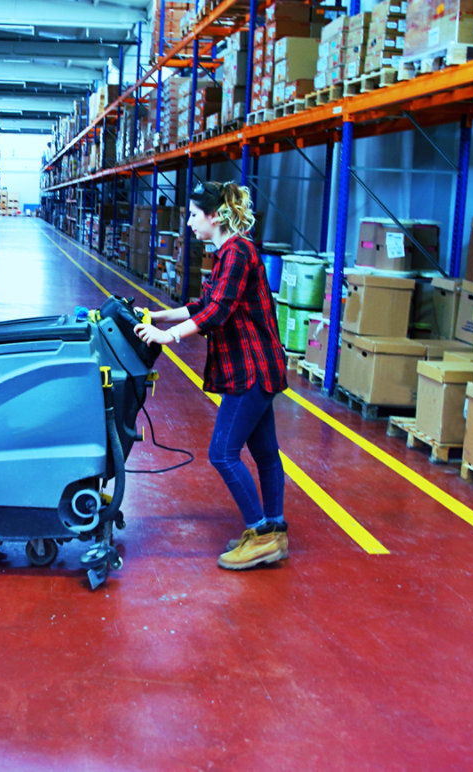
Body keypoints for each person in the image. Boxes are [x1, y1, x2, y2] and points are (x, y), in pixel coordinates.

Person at [133, 181, 290, 570]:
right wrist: (154, 317)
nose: (187, 223)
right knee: (266, 454)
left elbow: (216, 313)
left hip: (250, 370)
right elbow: (204, 304)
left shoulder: (238, 252)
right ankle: (274, 529)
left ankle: (261, 535)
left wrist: (166, 337)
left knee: (223, 453)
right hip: (257, 366)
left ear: (215, 216)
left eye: (192, 214)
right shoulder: (226, 253)